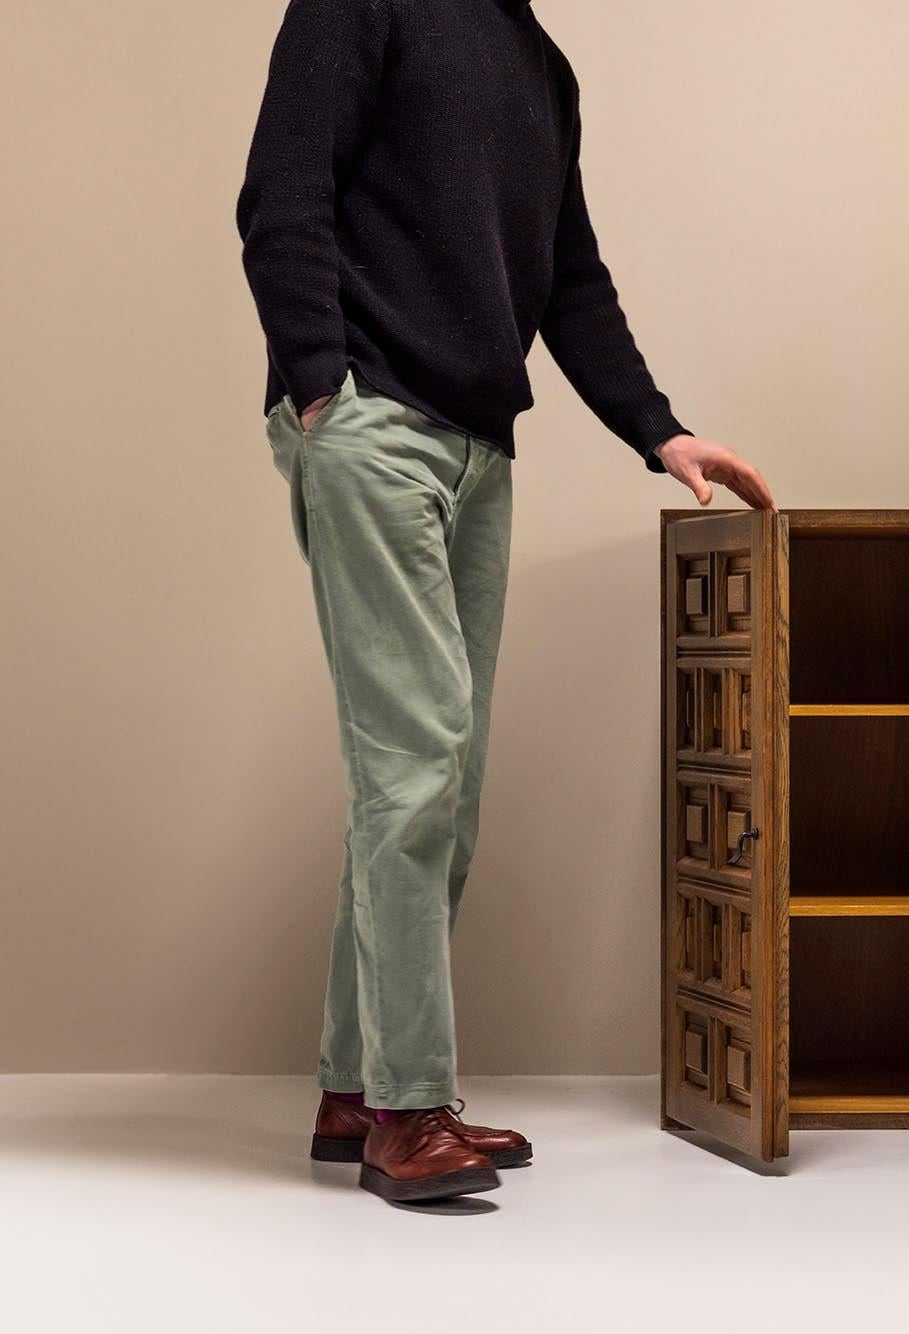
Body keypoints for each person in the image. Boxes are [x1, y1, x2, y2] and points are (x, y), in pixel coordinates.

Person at [237, 0, 775, 1205]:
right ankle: (411, 1109)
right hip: (371, 421)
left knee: (436, 772)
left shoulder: (539, 63)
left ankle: (352, 1084)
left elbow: (567, 275)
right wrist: (320, 383)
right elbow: (280, 193)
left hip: (478, 448)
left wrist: (660, 429)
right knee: (415, 761)